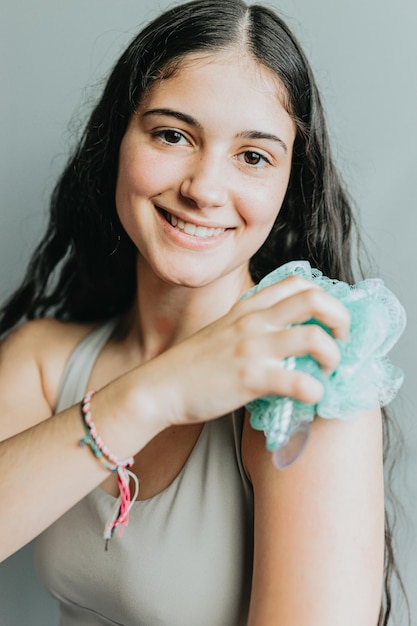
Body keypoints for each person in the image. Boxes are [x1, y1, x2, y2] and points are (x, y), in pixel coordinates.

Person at [0, 0, 402, 624]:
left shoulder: (309, 382)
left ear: (287, 187)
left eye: (253, 156)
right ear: (117, 142)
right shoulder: (42, 361)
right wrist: (157, 392)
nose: (205, 189)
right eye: (171, 135)